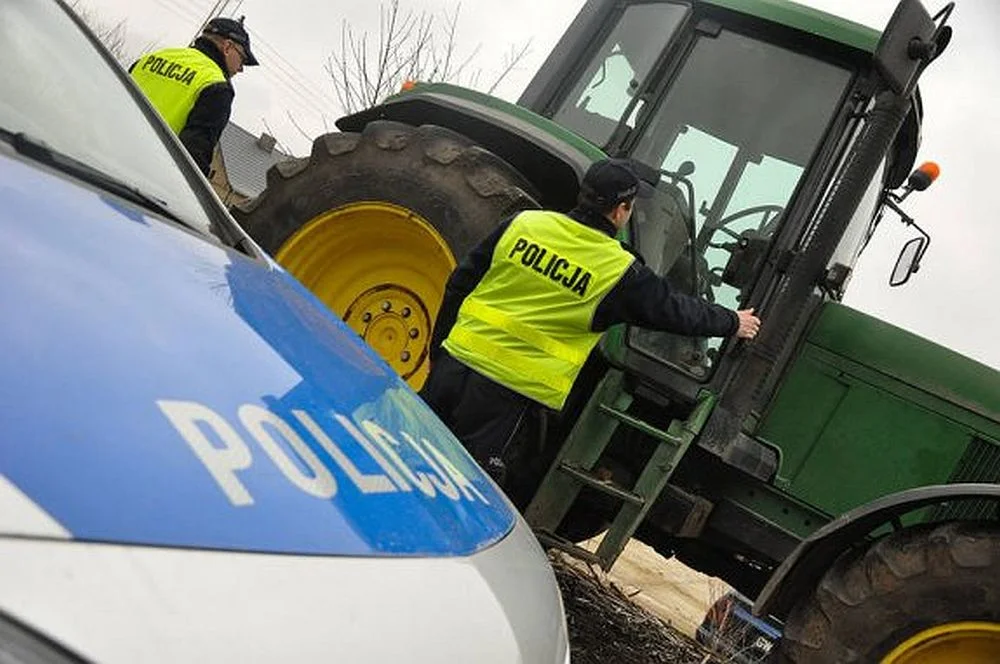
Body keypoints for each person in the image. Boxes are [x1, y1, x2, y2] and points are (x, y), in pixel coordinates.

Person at [419, 158, 761, 482]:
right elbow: (674, 310)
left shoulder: (524, 224)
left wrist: (439, 349)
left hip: (453, 367)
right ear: (621, 210)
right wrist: (732, 321)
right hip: (506, 397)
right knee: (460, 491)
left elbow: (460, 283)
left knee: (404, 457)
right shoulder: (617, 271)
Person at [129, 16, 259, 176]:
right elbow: (193, 157)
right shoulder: (216, 85)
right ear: (227, 47)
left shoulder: (151, 58)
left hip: (99, 157)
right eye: (242, 58)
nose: (240, 69)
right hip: (143, 178)